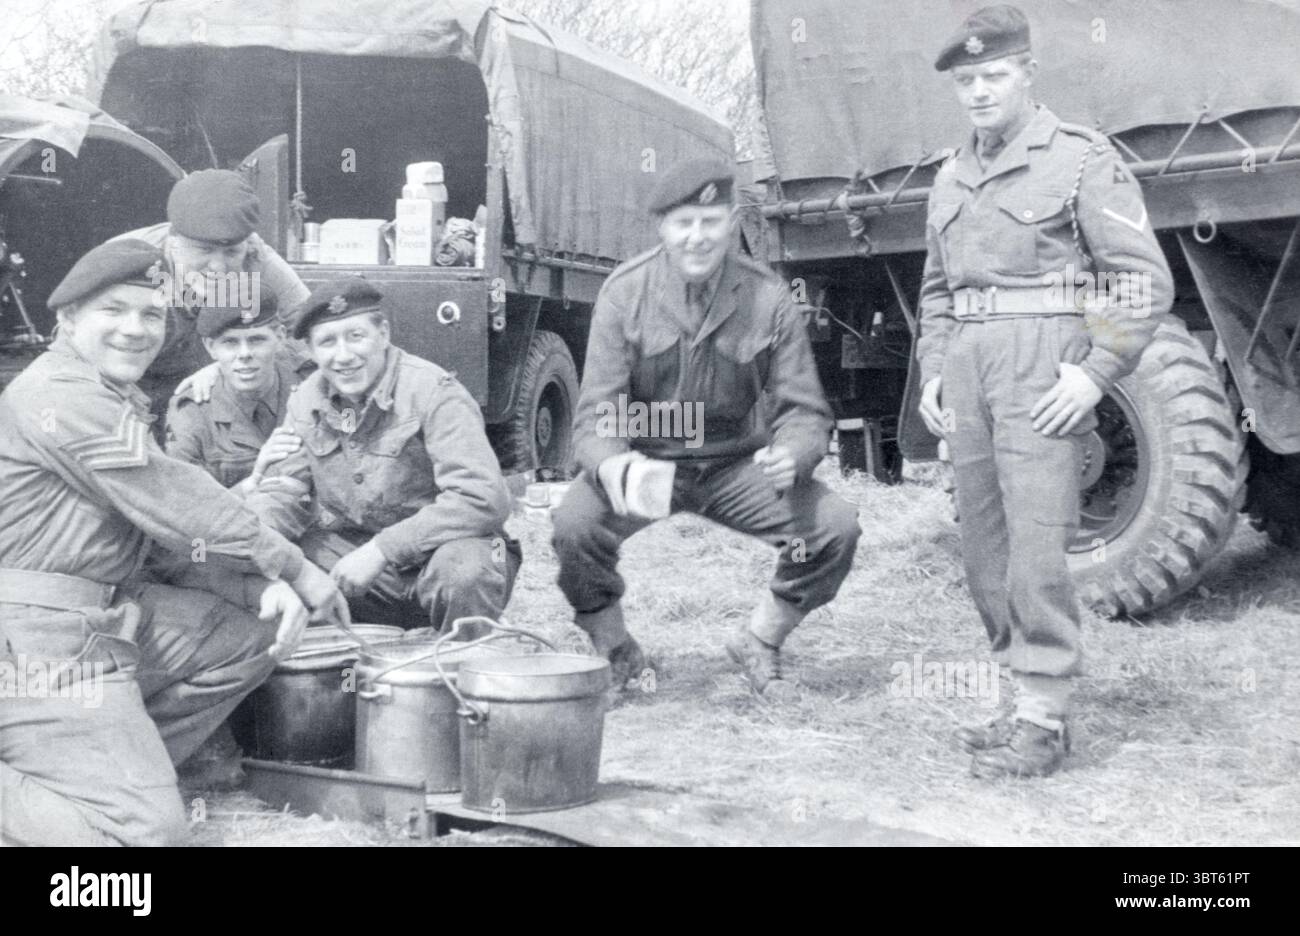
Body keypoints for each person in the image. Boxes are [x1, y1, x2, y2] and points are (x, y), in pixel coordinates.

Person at [0, 239, 348, 846]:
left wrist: (257, 584)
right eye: (114, 310)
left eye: (152, 314)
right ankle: (87, 789)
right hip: (39, 640)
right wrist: (297, 570)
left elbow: (159, 541)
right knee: (146, 839)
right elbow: (178, 499)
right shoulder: (59, 395)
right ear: (68, 319)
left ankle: (99, 767)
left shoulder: (106, 393)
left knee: (257, 634)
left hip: (106, 615)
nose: (135, 330)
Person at [916, 4, 1173, 778]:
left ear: (1028, 72)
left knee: (1035, 547)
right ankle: (1017, 692)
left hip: (1043, 362)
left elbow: (1141, 280)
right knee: (984, 550)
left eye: (994, 75)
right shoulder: (949, 174)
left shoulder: (1081, 158)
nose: (980, 92)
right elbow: (936, 289)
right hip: (967, 365)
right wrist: (933, 369)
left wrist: (1093, 373)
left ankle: (1045, 717)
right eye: (967, 81)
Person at [550, 157, 862, 699]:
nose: (697, 238)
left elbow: (804, 408)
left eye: (711, 222)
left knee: (834, 528)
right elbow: (597, 410)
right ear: (662, 228)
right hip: (646, 463)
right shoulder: (625, 293)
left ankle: (760, 640)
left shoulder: (768, 297)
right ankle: (614, 648)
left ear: (732, 221)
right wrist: (614, 461)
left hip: (735, 465)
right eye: (683, 223)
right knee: (574, 525)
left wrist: (795, 451)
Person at [247, 278, 522, 631]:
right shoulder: (306, 401)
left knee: (464, 570)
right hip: (359, 559)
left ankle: (460, 671)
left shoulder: (434, 392)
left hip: (444, 550)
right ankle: (342, 674)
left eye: (356, 336)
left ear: (384, 334)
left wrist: (383, 549)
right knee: (289, 564)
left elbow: (483, 498)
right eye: (327, 342)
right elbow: (285, 491)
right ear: (313, 353)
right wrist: (263, 547)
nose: (343, 355)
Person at [111, 169, 312, 430]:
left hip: (209, 394)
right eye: (204, 250)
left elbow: (314, 335)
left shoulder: (259, 261)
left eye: (231, 252)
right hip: (130, 386)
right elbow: (78, 348)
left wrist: (225, 366)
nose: (218, 266)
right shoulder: (127, 261)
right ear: (174, 244)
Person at [165, 294, 304, 493]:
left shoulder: (312, 383)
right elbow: (182, 506)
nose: (245, 354)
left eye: (257, 340)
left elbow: (349, 421)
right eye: (230, 343)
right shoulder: (191, 412)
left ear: (280, 338)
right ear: (211, 347)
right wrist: (253, 481)